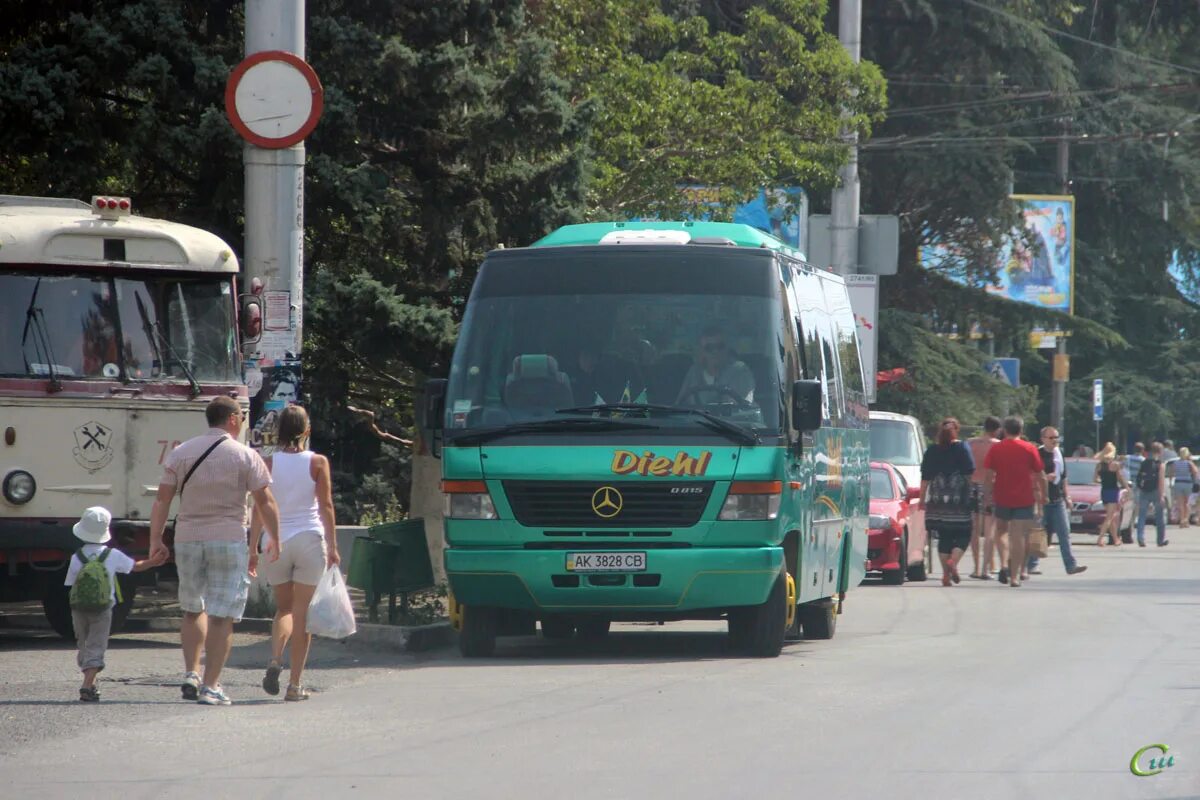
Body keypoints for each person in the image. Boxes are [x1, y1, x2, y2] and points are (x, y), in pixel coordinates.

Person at [148, 396, 281, 706]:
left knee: (192, 608)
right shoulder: (245, 455)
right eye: (242, 416)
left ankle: (191, 673)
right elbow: (265, 500)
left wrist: (156, 539)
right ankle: (211, 686)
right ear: (233, 419)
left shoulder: (181, 452)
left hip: (188, 538)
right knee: (222, 615)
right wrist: (275, 537)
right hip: (228, 538)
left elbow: (162, 500)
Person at [250, 406, 340, 702]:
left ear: (278, 431)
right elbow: (325, 506)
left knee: (283, 610)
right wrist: (334, 546)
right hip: (309, 540)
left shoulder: (267, 463)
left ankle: (275, 658)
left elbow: (259, 509)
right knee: (303, 617)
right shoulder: (317, 462)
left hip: (276, 542)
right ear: (307, 430)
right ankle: (295, 686)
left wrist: (253, 548)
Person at [65, 507, 162, 701]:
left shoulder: (77, 557)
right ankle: (87, 684)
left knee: (83, 643)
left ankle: (90, 682)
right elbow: (136, 566)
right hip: (103, 608)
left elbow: (70, 583)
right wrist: (154, 561)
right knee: (97, 644)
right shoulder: (112, 555)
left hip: (78, 608)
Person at [983, 416, 1048, 587]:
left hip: (1002, 496)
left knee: (1000, 531)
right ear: (1021, 430)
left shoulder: (997, 449)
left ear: (1004, 430)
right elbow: (1041, 475)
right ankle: (1015, 576)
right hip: (1024, 498)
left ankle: (1004, 564)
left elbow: (989, 476)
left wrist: (986, 497)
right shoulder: (1029, 448)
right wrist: (1044, 496)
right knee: (1019, 536)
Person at [919, 418, 976, 587]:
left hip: (938, 499)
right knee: (964, 534)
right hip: (958, 499)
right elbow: (969, 473)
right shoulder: (962, 447)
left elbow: (925, 478)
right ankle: (953, 562)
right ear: (957, 430)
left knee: (944, 536)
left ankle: (945, 574)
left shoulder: (932, 450)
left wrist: (922, 499)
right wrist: (971, 494)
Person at [1038, 428, 1087, 576]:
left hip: (1057, 499)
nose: (1054, 440)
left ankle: (1070, 565)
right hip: (1041, 500)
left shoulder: (1058, 455)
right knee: (1038, 534)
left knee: (1064, 533)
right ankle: (1030, 564)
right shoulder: (1037, 454)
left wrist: (1068, 497)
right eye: (1051, 437)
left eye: (1056, 437)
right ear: (1043, 439)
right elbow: (1032, 476)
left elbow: (1064, 478)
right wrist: (1045, 478)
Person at [676, 326, 755, 405]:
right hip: (695, 417)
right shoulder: (694, 372)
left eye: (720, 346)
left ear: (727, 348)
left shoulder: (740, 371)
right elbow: (679, 405)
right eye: (709, 348)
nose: (715, 351)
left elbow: (744, 409)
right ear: (702, 351)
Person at [967, 416, 1002, 580]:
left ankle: (975, 567)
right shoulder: (997, 445)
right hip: (990, 486)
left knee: (974, 529)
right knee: (990, 529)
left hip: (972, 485)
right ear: (997, 430)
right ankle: (985, 568)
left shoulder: (970, 443)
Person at [1093, 443, 1129, 547]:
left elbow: (1095, 479)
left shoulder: (1099, 465)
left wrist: (1102, 481)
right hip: (1113, 491)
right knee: (1109, 517)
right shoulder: (1115, 465)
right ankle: (1100, 539)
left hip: (1104, 491)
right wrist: (1127, 487)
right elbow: (1120, 478)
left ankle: (1115, 539)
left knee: (1111, 517)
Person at [1134, 442, 1169, 548]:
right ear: (1160, 451)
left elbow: (1138, 477)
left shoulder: (1144, 462)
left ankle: (1140, 538)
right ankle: (1160, 540)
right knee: (1159, 517)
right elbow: (1161, 481)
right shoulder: (1160, 464)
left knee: (1142, 516)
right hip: (1156, 491)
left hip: (1144, 491)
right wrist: (1162, 494)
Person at [1169, 446, 1198, 529]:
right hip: (1187, 483)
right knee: (1188, 503)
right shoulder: (1189, 463)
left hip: (1178, 483)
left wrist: (1171, 482)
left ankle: (1182, 520)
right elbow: (1195, 472)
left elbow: (1171, 472)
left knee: (1180, 503)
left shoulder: (1175, 463)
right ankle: (1186, 520)